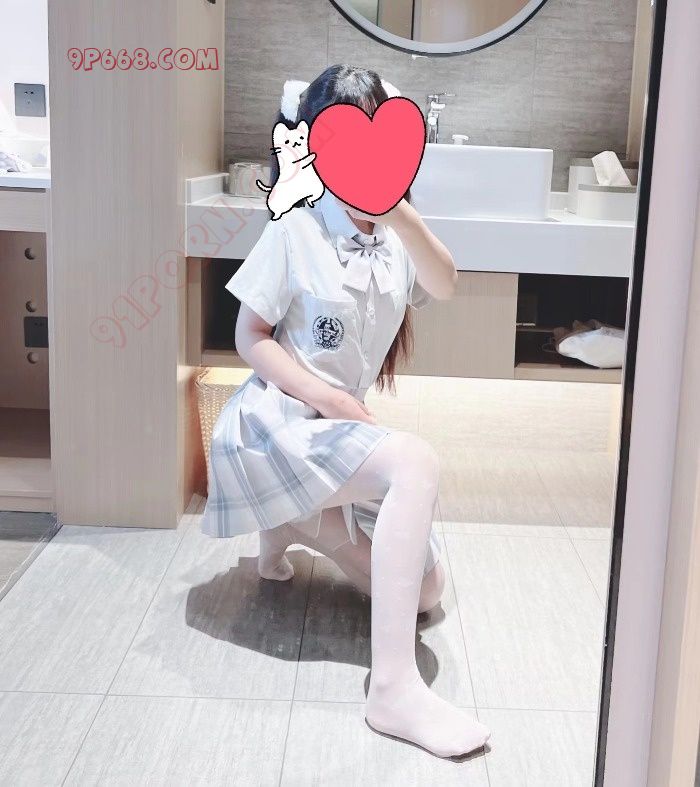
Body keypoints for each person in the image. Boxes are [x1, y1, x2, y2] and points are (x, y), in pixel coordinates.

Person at [201, 64, 491, 758]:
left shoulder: (393, 241)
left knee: (428, 591)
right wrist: (329, 397)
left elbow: (446, 283)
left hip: (334, 435)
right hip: (277, 426)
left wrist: (399, 211)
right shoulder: (296, 230)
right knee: (415, 463)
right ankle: (391, 689)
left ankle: (292, 524)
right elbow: (249, 337)